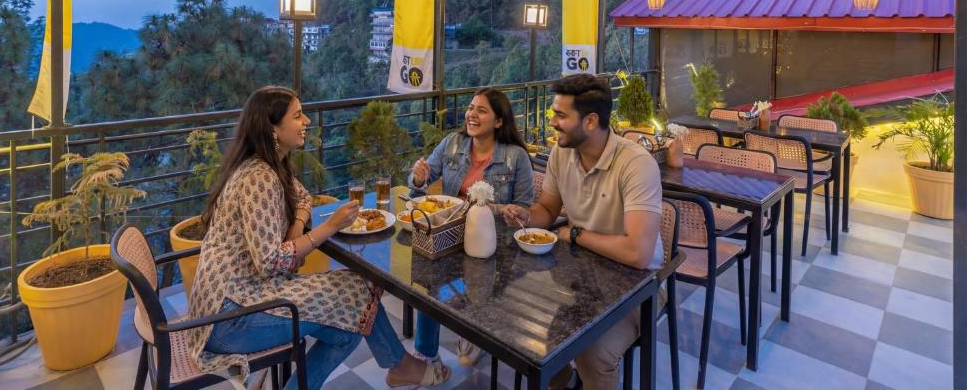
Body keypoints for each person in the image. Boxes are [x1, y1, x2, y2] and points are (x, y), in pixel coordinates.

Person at [188, 86, 451, 390]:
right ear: (273, 128)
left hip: (240, 299)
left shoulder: (272, 166)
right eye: (298, 115)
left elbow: (302, 196)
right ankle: (401, 365)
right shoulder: (258, 178)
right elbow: (271, 262)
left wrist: (297, 227)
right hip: (230, 318)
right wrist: (328, 227)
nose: (308, 121)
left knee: (351, 322)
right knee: (356, 300)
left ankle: (399, 366)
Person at [503, 74, 663, 390]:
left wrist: (576, 235)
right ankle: (558, 380)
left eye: (561, 115)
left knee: (591, 351)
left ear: (590, 121)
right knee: (522, 317)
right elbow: (548, 210)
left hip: (638, 286)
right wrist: (526, 216)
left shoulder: (636, 164)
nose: (552, 121)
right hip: (580, 273)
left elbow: (639, 254)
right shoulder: (562, 154)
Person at [409, 87, 535, 366]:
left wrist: (509, 211)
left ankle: (475, 325)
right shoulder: (452, 143)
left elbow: (526, 209)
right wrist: (418, 179)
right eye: (470, 108)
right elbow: (420, 187)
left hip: (495, 243)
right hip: (452, 235)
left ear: (499, 121)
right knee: (429, 274)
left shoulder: (516, 157)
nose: (471, 114)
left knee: (475, 279)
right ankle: (424, 357)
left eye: (481, 110)